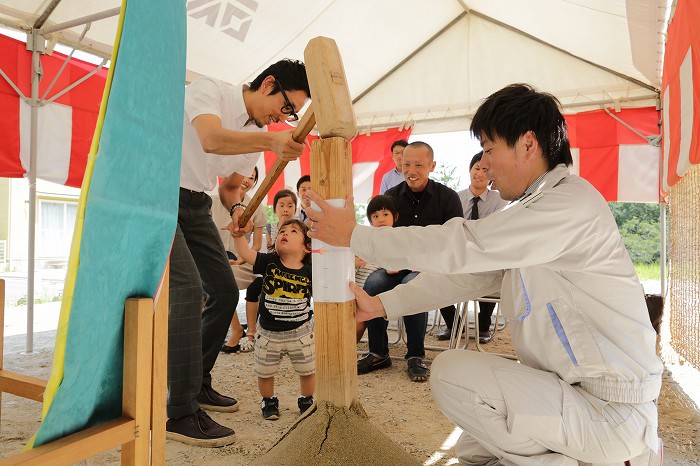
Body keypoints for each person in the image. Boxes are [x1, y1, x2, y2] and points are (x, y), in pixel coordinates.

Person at [305, 84, 663, 465]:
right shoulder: (537, 210)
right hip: (572, 395)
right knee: (474, 451)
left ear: (528, 144)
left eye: (490, 149)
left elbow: (463, 245)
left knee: (451, 373)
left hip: (608, 408)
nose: (485, 164)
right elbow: (468, 276)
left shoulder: (569, 204)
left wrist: (356, 236)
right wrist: (380, 304)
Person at [166, 59, 310, 447]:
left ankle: (197, 383)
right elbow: (211, 138)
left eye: (291, 114)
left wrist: (236, 211)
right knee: (186, 291)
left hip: (196, 204)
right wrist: (271, 141)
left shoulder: (258, 134)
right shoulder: (210, 88)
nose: (283, 119)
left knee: (225, 291)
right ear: (268, 85)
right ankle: (178, 412)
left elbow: (230, 188)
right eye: (286, 108)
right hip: (161, 193)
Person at [358, 141, 462, 382]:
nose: (411, 170)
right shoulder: (390, 198)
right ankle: (378, 353)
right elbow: (381, 238)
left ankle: (415, 356)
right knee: (372, 286)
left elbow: (455, 241)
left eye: (418, 164)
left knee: (415, 287)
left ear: (432, 166)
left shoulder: (447, 198)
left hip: (430, 267)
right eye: (406, 164)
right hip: (395, 266)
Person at [233, 219, 315, 421]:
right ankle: (268, 400)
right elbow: (246, 254)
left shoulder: (310, 271)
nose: (285, 233)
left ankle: (306, 399)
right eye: (282, 231)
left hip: (300, 332)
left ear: (307, 247)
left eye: (294, 231)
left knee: (308, 370)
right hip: (269, 333)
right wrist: (238, 237)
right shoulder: (269, 262)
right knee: (265, 371)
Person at [435, 151, 508, 343]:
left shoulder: (500, 200)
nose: (480, 173)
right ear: (470, 170)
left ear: (491, 174)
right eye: (477, 168)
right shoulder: (455, 198)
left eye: (485, 170)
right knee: (436, 273)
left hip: (486, 255)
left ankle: (484, 325)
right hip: (458, 253)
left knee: (489, 270)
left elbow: (497, 232)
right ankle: (454, 324)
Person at [209, 167, 266, 353]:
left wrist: (242, 259)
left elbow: (256, 246)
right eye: (245, 175)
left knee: (220, 280)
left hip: (242, 260)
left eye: (252, 178)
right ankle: (233, 328)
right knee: (211, 279)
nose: (247, 180)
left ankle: (237, 329)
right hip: (215, 257)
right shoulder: (212, 202)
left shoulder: (257, 208)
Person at [239, 188, 299, 353]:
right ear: (275, 209)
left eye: (290, 205)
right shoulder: (271, 227)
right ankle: (251, 331)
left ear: (295, 208)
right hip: (273, 270)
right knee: (253, 289)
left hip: (293, 272)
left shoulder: (300, 228)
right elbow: (273, 250)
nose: (286, 209)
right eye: (281, 205)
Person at [354, 194, 398, 342]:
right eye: (375, 216)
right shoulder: (366, 239)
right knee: (351, 322)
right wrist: (355, 262)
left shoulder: (396, 238)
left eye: (385, 214)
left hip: (369, 293)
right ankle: (347, 351)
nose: (381, 219)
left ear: (395, 217)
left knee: (358, 324)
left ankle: (350, 351)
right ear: (371, 221)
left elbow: (394, 266)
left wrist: (393, 267)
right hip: (355, 286)